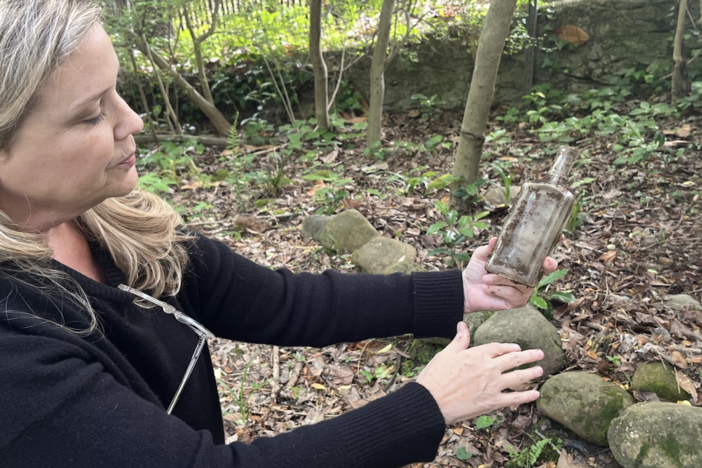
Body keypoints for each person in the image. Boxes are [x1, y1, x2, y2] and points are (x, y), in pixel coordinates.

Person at [0, 1, 558, 467]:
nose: (134, 122)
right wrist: (428, 404)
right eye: (92, 114)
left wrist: (463, 290)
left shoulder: (105, 223)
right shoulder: (15, 360)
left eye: (118, 92)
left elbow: (276, 302)